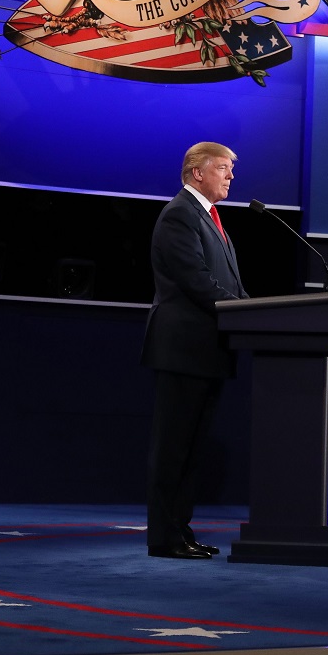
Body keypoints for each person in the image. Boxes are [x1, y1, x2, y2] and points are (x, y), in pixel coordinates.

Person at [140, 142, 249, 559]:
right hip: (182, 350)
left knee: (192, 450)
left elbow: (230, 286)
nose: (230, 176)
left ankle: (180, 532)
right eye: (223, 168)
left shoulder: (209, 218)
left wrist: (254, 308)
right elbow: (197, 282)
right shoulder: (179, 215)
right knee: (173, 449)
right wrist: (245, 310)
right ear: (197, 172)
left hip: (207, 351)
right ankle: (164, 537)